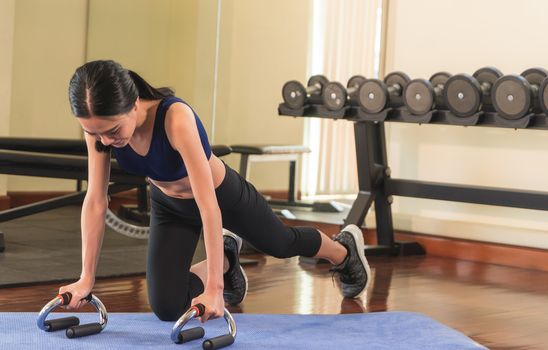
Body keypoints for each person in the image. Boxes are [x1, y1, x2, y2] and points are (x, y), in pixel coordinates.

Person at [59, 59, 370, 323]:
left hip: (221, 195)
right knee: (167, 307)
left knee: (280, 243)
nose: (105, 141)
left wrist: (214, 291)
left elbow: (209, 205)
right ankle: (226, 262)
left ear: (134, 103)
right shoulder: (100, 132)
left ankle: (343, 250)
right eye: (94, 133)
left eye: (113, 131)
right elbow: (97, 201)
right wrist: (87, 277)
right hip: (169, 206)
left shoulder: (175, 119)